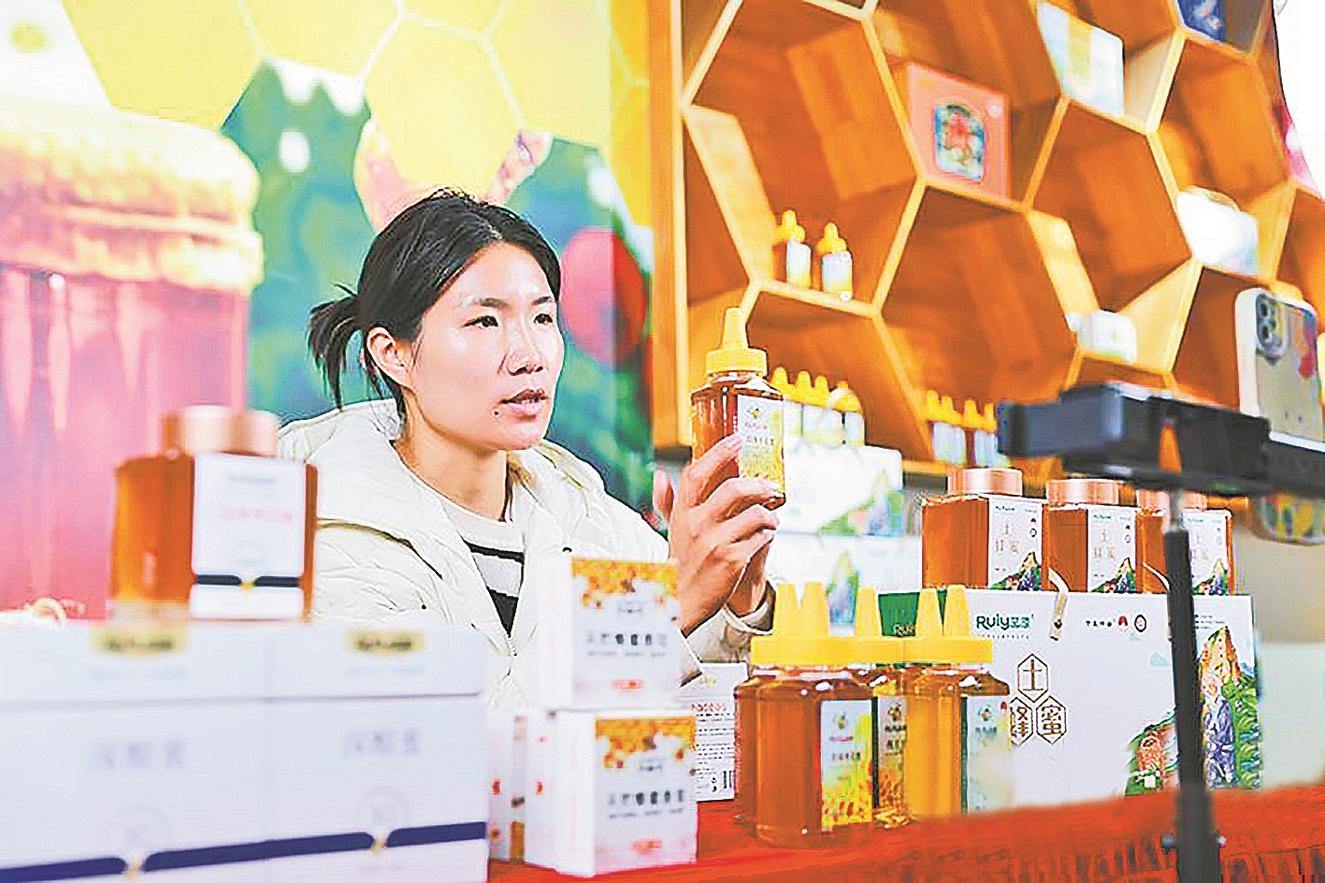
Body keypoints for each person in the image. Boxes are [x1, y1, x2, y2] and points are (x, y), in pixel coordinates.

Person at [279, 191, 778, 706]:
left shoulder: (587, 513)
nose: (529, 356)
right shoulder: (333, 539)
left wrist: (738, 596)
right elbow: (451, 737)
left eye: (542, 319)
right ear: (393, 354)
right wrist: (669, 608)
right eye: (485, 321)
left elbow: (708, 697)